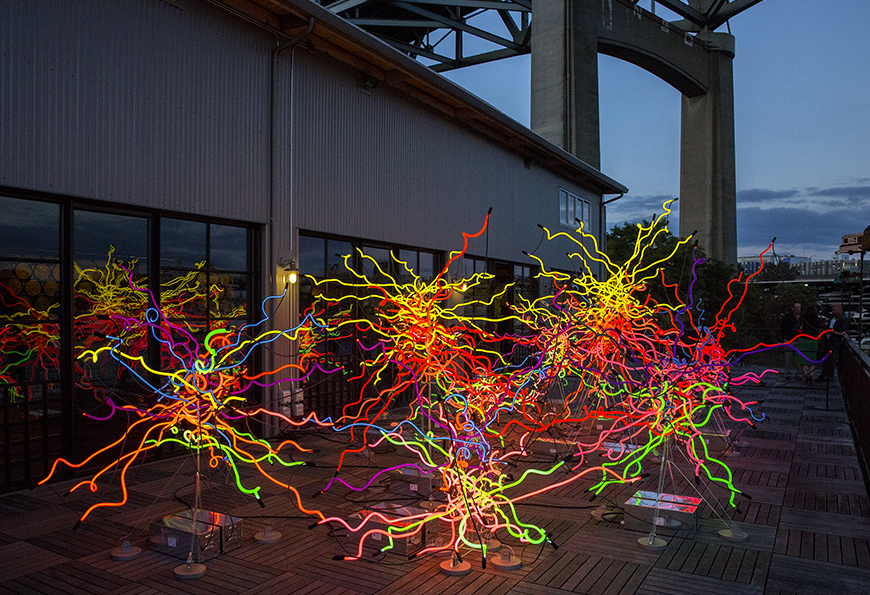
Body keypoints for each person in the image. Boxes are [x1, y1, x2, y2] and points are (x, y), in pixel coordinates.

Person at [819, 303, 850, 382]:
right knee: (827, 358)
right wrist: (828, 307)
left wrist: (833, 332)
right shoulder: (833, 317)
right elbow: (824, 313)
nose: (832, 311)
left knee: (830, 359)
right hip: (829, 339)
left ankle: (828, 375)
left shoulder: (843, 318)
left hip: (835, 341)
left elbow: (843, 331)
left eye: (834, 310)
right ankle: (826, 375)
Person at [794, 307, 824, 384]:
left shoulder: (803, 319)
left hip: (803, 340)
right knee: (812, 359)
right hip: (813, 341)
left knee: (803, 360)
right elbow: (824, 327)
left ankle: (805, 376)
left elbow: (797, 328)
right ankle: (811, 375)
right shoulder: (817, 320)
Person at [780, 302, 802, 380]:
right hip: (789, 339)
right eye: (797, 307)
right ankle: (788, 373)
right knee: (788, 358)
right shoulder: (788, 317)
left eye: (799, 307)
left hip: (798, 339)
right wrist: (783, 338)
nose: (798, 309)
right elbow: (782, 327)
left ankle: (799, 373)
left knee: (799, 358)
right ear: (793, 308)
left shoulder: (802, 318)